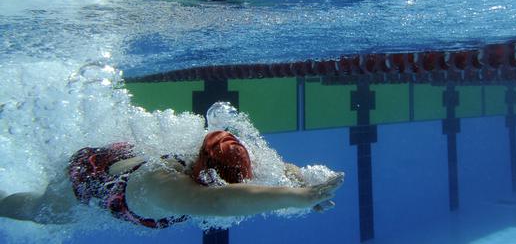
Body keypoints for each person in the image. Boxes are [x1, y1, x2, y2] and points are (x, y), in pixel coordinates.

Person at [0, 130, 344, 228]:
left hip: (119, 157)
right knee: (44, 213)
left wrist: (305, 183)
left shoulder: (205, 150)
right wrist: (299, 198)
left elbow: (278, 167)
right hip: (89, 176)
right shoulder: (168, 187)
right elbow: (220, 201)